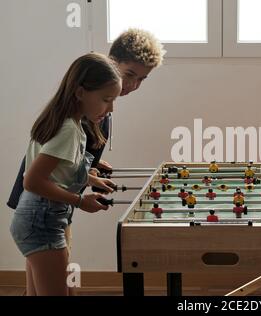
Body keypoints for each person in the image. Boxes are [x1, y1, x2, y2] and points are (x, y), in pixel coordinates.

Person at [7, 28, 166, 210]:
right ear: (112, 63)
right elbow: (46, 166)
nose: (133, 85)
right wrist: (81, 198)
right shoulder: (83, 111)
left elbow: (65, 155)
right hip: (40, 204)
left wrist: (90, 164)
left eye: (141, 79)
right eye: (129, 74)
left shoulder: (95, 106)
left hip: (54, 204)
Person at [9, 53, 122, 295]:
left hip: (39, 217)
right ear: (80, 92)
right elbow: (32, 181)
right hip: (41, 219)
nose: (110, 108)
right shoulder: (69, 130)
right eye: (106, 99)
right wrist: (81, 201)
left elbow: (60, 173)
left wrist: (90, 178)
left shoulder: (71, 124)